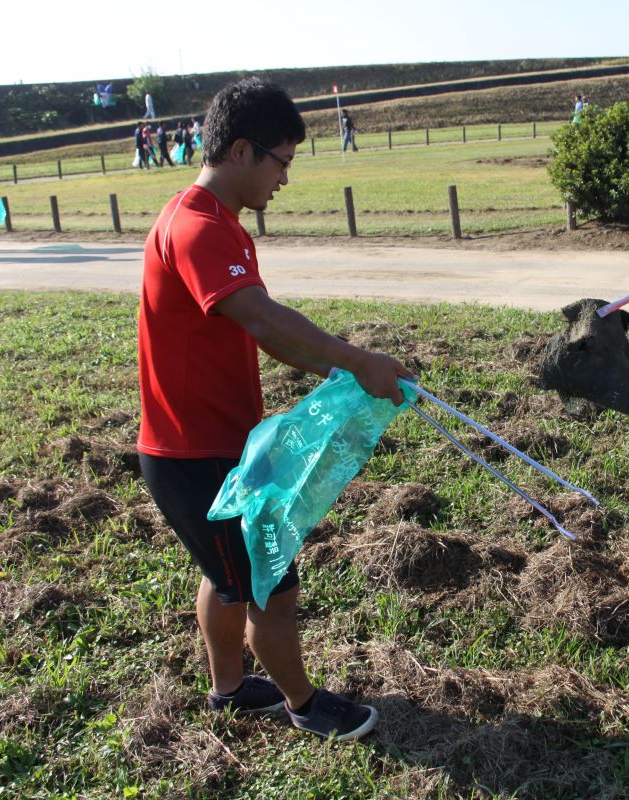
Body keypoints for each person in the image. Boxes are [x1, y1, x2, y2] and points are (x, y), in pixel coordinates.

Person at [137, 78, 412, 741]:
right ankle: (303, 704)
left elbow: (266, 332)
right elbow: (264, 321)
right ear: (241, 150)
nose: (285, 178)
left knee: (227, 577)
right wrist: (359, 364)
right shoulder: (198, 227)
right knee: (270, 589)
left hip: (214, 446)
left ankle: (229, 689)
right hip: (195, 454)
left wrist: (342, 363)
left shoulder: (213, 221)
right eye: (282, 160)